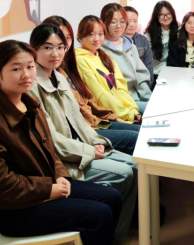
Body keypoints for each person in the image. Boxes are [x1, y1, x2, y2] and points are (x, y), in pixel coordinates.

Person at [0, 40, 121, 245]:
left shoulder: (30, 103)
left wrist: (60, 176)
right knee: (99, 214)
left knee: (112, 197)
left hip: (43, 187)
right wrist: (49, 189)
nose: (26, 74)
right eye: (16, 69)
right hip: (13, 210)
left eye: (30, 66)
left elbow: (50, 149)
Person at [28, 24, 137, 244]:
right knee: (125, 173)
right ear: (34, 49)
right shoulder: (32, 87)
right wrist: (88, 151)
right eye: (47, 47)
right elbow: (51, 139)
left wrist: (97, 142)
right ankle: (112, 233)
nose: (55, 53)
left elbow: (79, 121)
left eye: (60, 46)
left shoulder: (59, 77)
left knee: (135, 165)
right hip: (66, 159)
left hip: (82, 146)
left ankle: (117, 230)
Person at [42, 16, 139, 155]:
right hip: (86, 130)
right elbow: (98, 96)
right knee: (137, 138)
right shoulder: (69, 65)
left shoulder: (70, 65)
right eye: (91, 34)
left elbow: (91, 99)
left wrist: (117, 116)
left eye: (67, 38)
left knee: (141, 132)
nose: (64, 44)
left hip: (96, 122)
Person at [75, 15, 141, 124]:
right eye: (91, 34)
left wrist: (133, 110)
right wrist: (126, 114)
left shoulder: (105, 56)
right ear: (80, 36)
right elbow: (100, 94)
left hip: (122, 111)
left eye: (100, 34)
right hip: (106, 115)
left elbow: (121, 87)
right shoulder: (79, 59)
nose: (97, 39)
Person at [101, 3, 152, 114]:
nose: (119, 26)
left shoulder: (130, 46)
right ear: (103, 23)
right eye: (113, 22)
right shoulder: (100, 50)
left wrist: (149, 99)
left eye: (122, 21)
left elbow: (141, 76)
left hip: (138, 98)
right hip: (122, 103)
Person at [145, 0, 179, 80]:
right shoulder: (149, 34)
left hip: (175, 74)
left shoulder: (180, 31)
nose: (165, 17)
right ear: (156, 16)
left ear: (173, 14)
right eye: (161, 15)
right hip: (155, 74)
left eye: (168, 14)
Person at [123, 6, 154, 82]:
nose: (132, 24)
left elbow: (149, 65)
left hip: (143, 82)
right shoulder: (116, 40)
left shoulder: (143, 40)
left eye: (135, 21)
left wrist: (148, 84)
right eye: (128, 21)